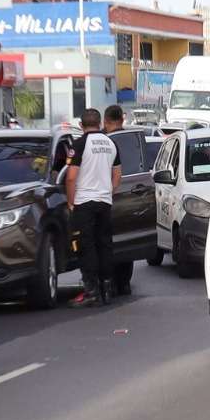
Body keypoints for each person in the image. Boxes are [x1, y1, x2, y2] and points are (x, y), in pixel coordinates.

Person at [65, 107, 120, 307]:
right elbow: (117, 176)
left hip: (84, 203)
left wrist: (71, 202)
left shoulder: (79, 144)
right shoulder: (111, 143)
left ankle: (91, 291)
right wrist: (107, 192)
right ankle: (107, 287)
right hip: (104, 202)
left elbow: (71, 177)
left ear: (81, 125)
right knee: (104, 244)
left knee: (84, 246)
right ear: (100, 123)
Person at [101, 105, 136, 297]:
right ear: (122, 120)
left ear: (105, 121)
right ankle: (124, 283)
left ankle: (111, 282)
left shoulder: (101, 141)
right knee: (127, 240)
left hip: (107, 195)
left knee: (107, 242)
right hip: (130, 194)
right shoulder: (131, 140)